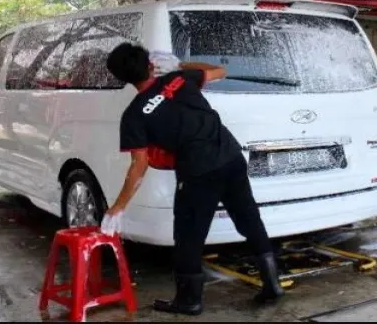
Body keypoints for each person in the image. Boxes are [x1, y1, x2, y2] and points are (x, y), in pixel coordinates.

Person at [104, 43, 284, 316]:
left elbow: (139, 166)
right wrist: (180, 65)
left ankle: (189, 300)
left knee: (188, 235)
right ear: (151, 65)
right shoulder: (178, 78)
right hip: (230, 155)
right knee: (248, 218)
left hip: (199, 171)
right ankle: (272, 283)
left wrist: (118, 206)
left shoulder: (134, 115)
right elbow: (219, 71)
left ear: (122, 78)